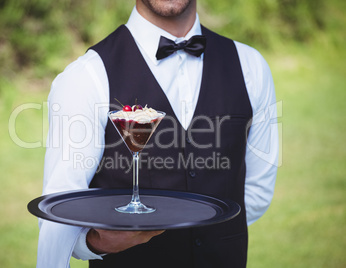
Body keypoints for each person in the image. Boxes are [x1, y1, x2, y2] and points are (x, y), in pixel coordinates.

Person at [36, 0, 279, 267]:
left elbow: (257, 191)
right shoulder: (86, 76)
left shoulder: (250, 66)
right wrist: (96, 242)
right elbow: (58, 212)